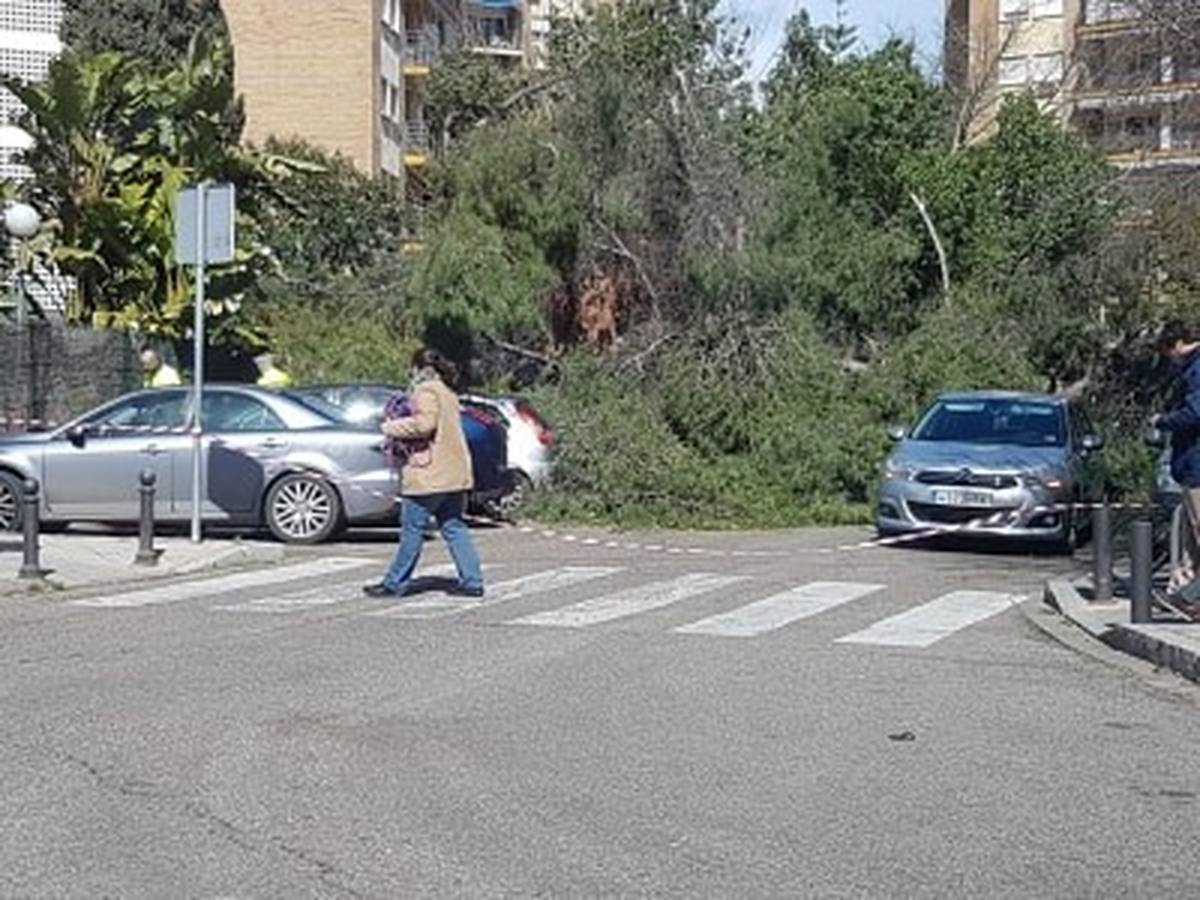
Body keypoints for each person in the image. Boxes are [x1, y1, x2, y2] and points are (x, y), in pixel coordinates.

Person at [363, 347, 484, 599]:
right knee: (454, 527)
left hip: (428, 474)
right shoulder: (448, 391)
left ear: (419, 368)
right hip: (454, 473)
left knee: (412, 530)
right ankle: (472, 581)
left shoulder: (426, 390)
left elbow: (424, 424)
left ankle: (394, 583)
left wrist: (389, 427)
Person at [1154, 319, 1200, 599]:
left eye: (1167, 351)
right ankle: (1189, 594)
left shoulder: (1196, 370)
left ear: (1178, 345)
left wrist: (1163, 420)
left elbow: (1195, 413)